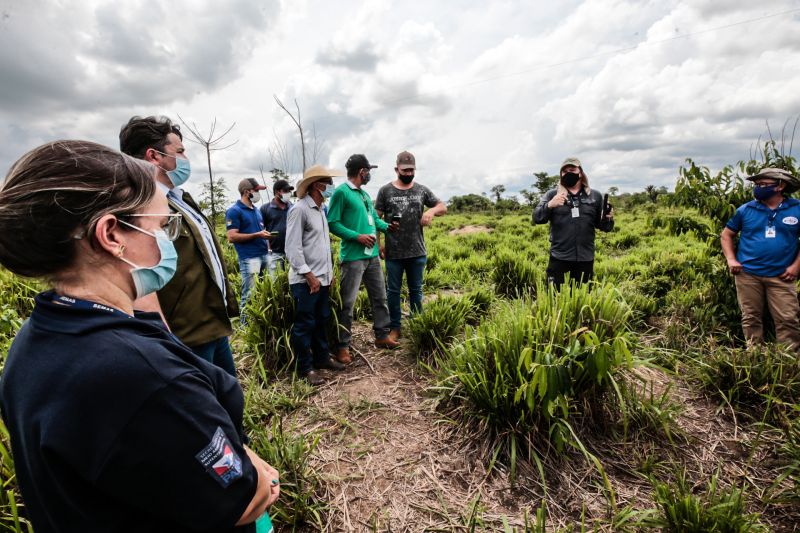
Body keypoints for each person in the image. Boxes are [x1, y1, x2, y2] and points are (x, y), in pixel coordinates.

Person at [0, 140, 279, 532]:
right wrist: (264, 478)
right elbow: (245, 497)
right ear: (112, 235)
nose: (167, 239)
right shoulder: (145, 379)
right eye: (161, 226)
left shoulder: (38, 336)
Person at [119, 116, 239, 376]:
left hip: (211, 322)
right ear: (154, 156)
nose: (185, 158)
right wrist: (164, 337)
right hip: (184, 335)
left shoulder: (180, 200)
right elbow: (137, 280)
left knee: (229, 399)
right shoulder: (139, 210)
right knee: (204, 407)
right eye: (180, 151)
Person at [327, 154, 400, 364]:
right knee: (347, 303)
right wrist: (356, 236)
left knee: (380, 297)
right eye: (368, 171)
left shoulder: (365, 195)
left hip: (373, 256)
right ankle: (342, 346)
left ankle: (381, 335)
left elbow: (374, 219)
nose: (369, 174)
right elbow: (332, 222)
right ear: (362, 172)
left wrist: (388, 227)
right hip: (353, 257)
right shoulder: (341, 193)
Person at [720, 167, 800, 351]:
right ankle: (754, 357)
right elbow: (726, 235)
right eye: (756, 184)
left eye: (763, 184)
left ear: (780, 186)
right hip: (747, 275)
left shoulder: (796, 209)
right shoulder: (745, 209)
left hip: (782, 275)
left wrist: (796, 266)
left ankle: (788, 361)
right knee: (750, 317)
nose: (758, 188)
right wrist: (731, 260)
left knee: (788, 319)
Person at [375, 151, 447, 341]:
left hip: (417, 251)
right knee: (393, 291)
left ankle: (417, 324)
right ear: (396, 169)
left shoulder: (421, 190)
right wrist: (378, 243)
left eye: (411, 170)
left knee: (416, 290)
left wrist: (431, 211)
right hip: (393, 252)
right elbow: (375, 219)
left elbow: (443, 206)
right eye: (404, 170)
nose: (408, 173)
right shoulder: (385, 191)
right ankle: (395, 327)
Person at [285, 165, 347, 385]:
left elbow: (321, 245)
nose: (330, 186)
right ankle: (305, 368)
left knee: (322, 319)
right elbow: (293, 248)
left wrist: (329, 274)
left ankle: (322, 358)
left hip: (323, 278)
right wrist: (309, 275)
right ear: (316, 186)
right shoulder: (299, 209)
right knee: (305, 323)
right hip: (306, 281)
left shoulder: (322, 211)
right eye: (327, 182)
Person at [533, 157, 614, 285]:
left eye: (572, 169)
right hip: (559, 258)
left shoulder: (595, 196)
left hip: (585, 259)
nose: (568, 173)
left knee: (583, 298)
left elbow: (604, 227)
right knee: (555, 298)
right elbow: (537, 218)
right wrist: (550, 205)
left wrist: (608, 218)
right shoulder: (552, 194)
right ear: (561, 175)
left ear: (580, 173)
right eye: (564, 171)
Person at [226, 178, 272, 322]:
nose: (258, 193)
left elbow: (259, 231)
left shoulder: (256, 211)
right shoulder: (234, 211)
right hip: (250, 258)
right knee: (250, 293)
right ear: (247, 192)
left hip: (264, 254)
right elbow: (232, 236)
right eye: (256, 190)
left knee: (266, 290)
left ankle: (259, 322)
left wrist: (266, 239)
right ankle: (245, 326)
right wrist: (257, 235)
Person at [260, 179, 294, 278]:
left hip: (291, 252)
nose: (288, 193)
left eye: (289, 191)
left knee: (291, 281)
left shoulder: (292, 207)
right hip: (275, 253)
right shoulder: (265, 208)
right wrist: (268, 248)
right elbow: (261, 230)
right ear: (277, 192)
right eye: (285, 191)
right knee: (276, 282)